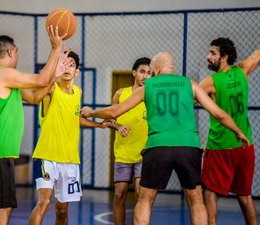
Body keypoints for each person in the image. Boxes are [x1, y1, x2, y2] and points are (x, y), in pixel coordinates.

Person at [81, 51, 250, 225]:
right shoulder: (189, 84)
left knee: (145, 199)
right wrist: (238, 131)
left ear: (156, 68)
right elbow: (218, 113)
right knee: (196, 200)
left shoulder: (149, 86)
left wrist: (91, 112)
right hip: (188, 146)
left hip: (158, 146)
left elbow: (114, 111)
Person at [0, 26, 65, 225]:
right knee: (2, 208)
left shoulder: (0, 77)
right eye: (17, 52)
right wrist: (56, 48)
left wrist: (53, 76)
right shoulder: (2, 74)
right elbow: (40, 80)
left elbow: (34, 97)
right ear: (11, 52)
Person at [28, 51, 110, 225]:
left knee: (62, 210)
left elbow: (74, 118)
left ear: (77, 72)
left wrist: (98, 124)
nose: (67, 68)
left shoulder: (77, 93)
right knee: (43, 203)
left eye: (71, 65)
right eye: (64, 64)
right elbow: (36, 89)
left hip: (70, 159)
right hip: (46, 156)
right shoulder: (51, 88)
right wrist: (52, 73)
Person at [200, 37, 259, 225]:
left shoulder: (210, 81)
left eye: (213, 53)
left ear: (224, 57)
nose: (208, 56)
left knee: (210, 195)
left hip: (220, 147)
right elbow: (258, 54)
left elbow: (187, 97)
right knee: (245, 196)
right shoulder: (243, 70)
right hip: (245, 146)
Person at [110, 57, 151, 225]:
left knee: (141, 195)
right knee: (120, 194)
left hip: (144, 153)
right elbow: (110, 120)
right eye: (142, 71)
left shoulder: (152, 96)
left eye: (149, 73)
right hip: (123, 152)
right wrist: (118, 126)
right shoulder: (121, 93)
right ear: (134, 72)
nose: (145, 76)